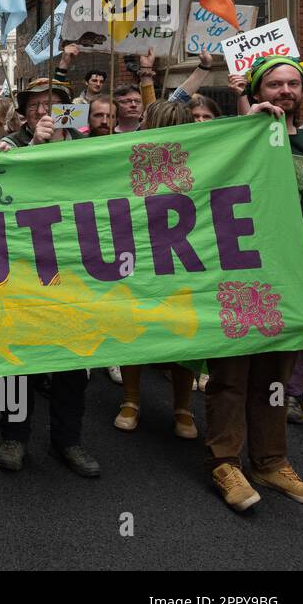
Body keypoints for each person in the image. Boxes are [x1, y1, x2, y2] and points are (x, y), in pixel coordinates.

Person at [203, 56, 303, 511]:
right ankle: (224, 463)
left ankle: (272, 462)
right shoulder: (236, 136)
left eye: (293, 83)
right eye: (274, 84)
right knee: (231, 376)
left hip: (290, 280)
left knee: (275, 379)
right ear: (257, 91)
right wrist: (242, 126)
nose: (285, 91)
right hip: (240, 277)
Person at [0, 77, 100, 478]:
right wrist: (34, 148)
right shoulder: (11, 144)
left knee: (73, 364)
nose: (43, 111)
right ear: (24, 111)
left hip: (73, 271)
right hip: (23, 273)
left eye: (53, 104)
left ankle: (68, 441)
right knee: (22, 360)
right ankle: (14, 436)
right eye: (35, 105)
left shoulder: (87, 146)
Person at [111, 101, 199, 439]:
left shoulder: (200, 157)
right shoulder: (128, 154)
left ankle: (176, 407)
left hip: (183, 257)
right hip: (142, 253)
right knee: (137, 325)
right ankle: (142, 403)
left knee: (183, 331)